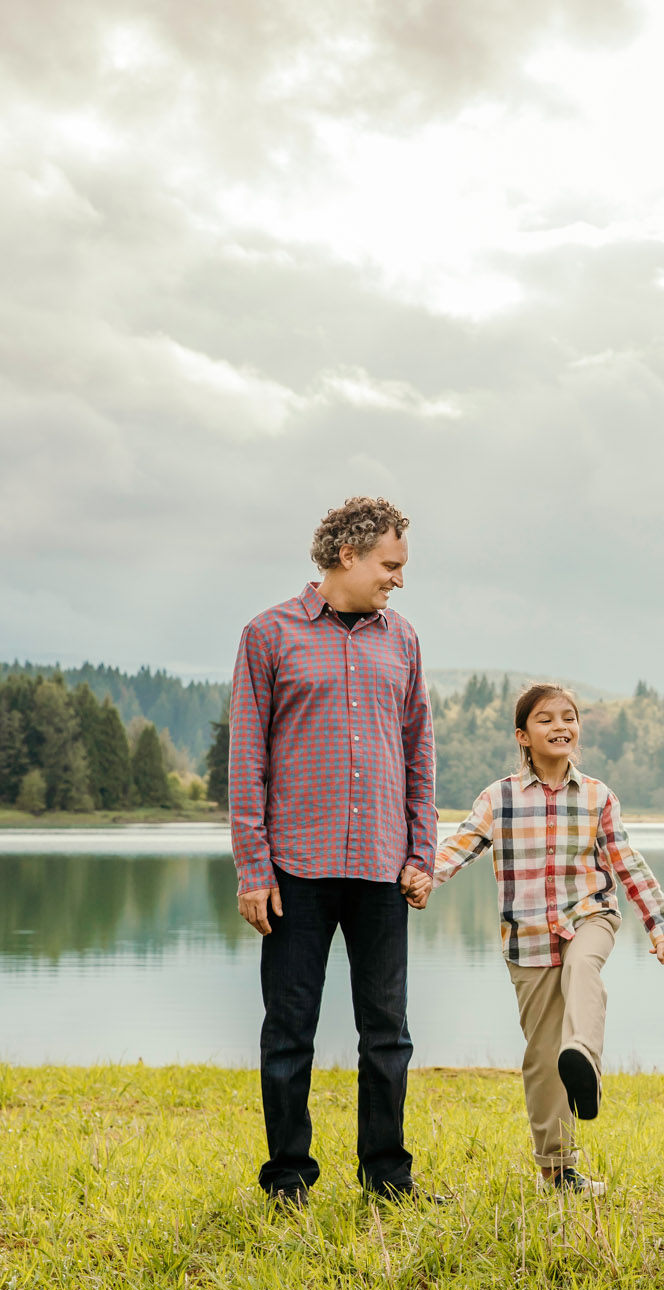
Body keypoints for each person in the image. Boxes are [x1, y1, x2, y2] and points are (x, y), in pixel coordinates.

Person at [229, 495, 440, 1206]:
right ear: (346, 555)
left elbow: (419, 754)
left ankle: (388, 1178)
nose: (398, 580)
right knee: (289, 1032)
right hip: (296, 870)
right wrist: (253, 868)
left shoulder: (402, 639)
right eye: (390, 564)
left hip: (383, 868)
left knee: (388, 1034)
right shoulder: (267, 635)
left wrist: (421, 851)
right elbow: (246, 761)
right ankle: (287, 1179)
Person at [403, 682, 664, 1196]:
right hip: (527, 936)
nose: (561, 726)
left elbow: (628, 864)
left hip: (590, 916)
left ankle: (584, 1057)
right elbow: (460, 844)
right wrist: (426, 876)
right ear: (523, 735)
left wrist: (662, 929)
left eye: (569, 717)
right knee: (540, 1056)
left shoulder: (599, 796)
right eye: (546, 719)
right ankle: (557, 1171)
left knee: (584, 970)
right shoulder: (500, 797)